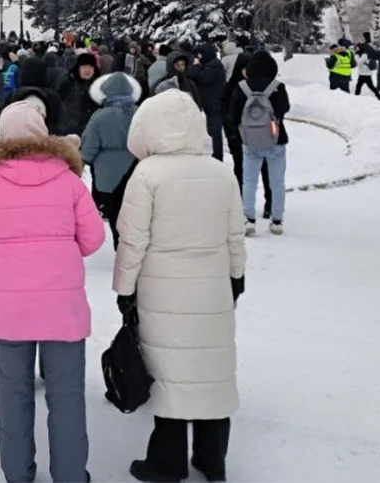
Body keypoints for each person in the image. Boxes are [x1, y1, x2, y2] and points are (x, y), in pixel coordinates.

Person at [0, 101, 104, 483]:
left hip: (10, 311)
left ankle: (17, 473)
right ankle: (71, 475)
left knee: (15, 397)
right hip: (62, 309)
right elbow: (93, 239)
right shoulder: (68, 180)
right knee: (67, 398)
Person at [113, 88, 247, 483]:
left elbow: (132, 239)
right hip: (213, 287)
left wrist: (125, 288)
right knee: (210, 371)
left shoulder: (148, 174)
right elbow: (234, 233)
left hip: (162, 289)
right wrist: (236, 277)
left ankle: (167, 463)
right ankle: (212, 459)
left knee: (170, 374)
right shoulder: (221, 171)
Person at [81, 72, 142, 248]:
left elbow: (88, 149)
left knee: (116, 214)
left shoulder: (100, 116)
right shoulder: (140, 113)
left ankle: (120, 246)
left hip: (107, 176)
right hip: (136, 171)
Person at [232, 50, 289, 236]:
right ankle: (277, 220)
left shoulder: (242, 87)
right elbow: (284, 108)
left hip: (250, 141)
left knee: (249, 181)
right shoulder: (278, 87)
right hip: (276, 139)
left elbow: (233, 114)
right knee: (277, 182)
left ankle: (248, 219)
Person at [223, 53, 272, 221]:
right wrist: (231, 134)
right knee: (241, 170)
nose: (247, 72)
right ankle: (241, 203)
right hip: (239, 137)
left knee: (265, 169)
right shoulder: (232, 87)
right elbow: (226, 112)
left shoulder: (258, 85)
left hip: (261, 135)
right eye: (244, 68)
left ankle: (269, 203)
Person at [187, 44, 227, 161]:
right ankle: (217, 154)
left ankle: (218, 155)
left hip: (215, 103)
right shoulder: (210, 64)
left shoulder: (213, 65)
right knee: (212, 129)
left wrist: (195, 66)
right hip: (211, 102)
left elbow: (202, 77)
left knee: (215, 131)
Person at [59, 52, 102, 137]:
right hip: (70, 129)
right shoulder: (67, 83)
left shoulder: (96, 86)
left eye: (90, 67)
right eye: (84, 67)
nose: (87, 70)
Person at [354, 32, 380, 99]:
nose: (356, 48)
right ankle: (355, 97)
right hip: (364, 73)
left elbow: (359, 62)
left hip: (365, 74)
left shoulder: (364, 54)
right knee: (360, 86)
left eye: (357, 47)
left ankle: (379, 97)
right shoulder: (362, 53)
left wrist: (356, 56)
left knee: (369, 86)